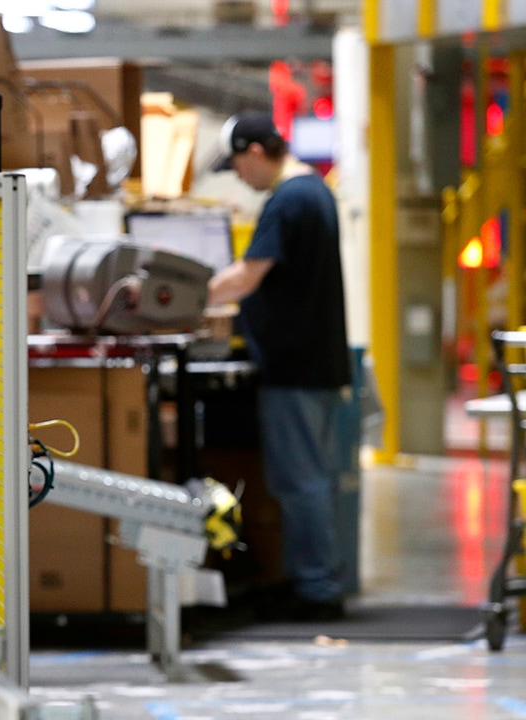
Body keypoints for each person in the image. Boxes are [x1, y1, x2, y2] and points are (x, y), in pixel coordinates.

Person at [207, 110, 352, 621]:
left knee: (301, 481)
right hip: (317, 362)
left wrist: (185, 295)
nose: (241, 179)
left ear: (254, 152)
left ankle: (317, 590)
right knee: (311, 477)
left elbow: (247, 276)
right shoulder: (315, 190)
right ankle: (311, 580)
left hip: (295, 366)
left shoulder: (288, 199)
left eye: (239, 168)